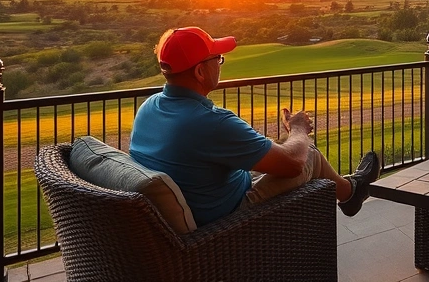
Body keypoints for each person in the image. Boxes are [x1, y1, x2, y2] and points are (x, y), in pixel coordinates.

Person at [130, 26, 379, 227]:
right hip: (226, 217)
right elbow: (293, 165)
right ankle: (351, 193)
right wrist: (298, 128)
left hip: (191, 207)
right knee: (308, 155)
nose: (220, 63)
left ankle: (350, 191)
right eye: (217, 58)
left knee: (277, 151)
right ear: (199, 72)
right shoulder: (211, 122)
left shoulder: (149, 107)